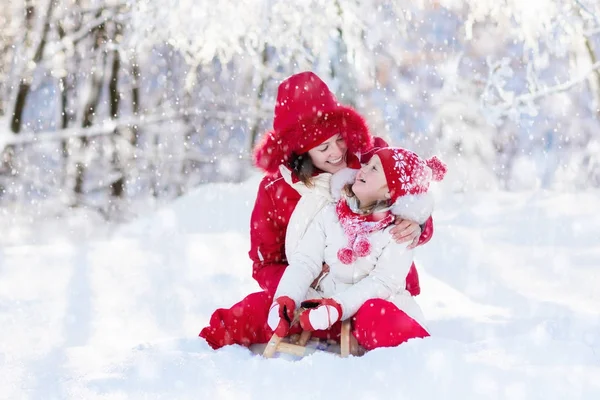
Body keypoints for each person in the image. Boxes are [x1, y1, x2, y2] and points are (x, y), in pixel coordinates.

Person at [199, 72, 433, 349]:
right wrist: (299, 291)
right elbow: (265, 263)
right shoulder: (277, 191)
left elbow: (412, 197)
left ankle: (419, 360)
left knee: (383, 320)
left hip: (372, 293)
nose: (336, 152)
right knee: (251, 312)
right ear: (301, 151)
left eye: (340, 139)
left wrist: (417, 225)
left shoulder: (372, 162)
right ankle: (203, 353)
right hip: (309, 300)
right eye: (323, 146)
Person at [268, 147, 447, 350]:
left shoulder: (399, 231)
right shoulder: (330, 214)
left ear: (390, 190)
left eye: (374, 169)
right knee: (265, 304)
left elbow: (383, 281)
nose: (362, 169)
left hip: (367, 308)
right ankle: (225, 331)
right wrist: (286, 297)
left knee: (376, 313)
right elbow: (305, 260)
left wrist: (339, 306)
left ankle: (419, 353)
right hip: (324, 305)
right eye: (367, 164)